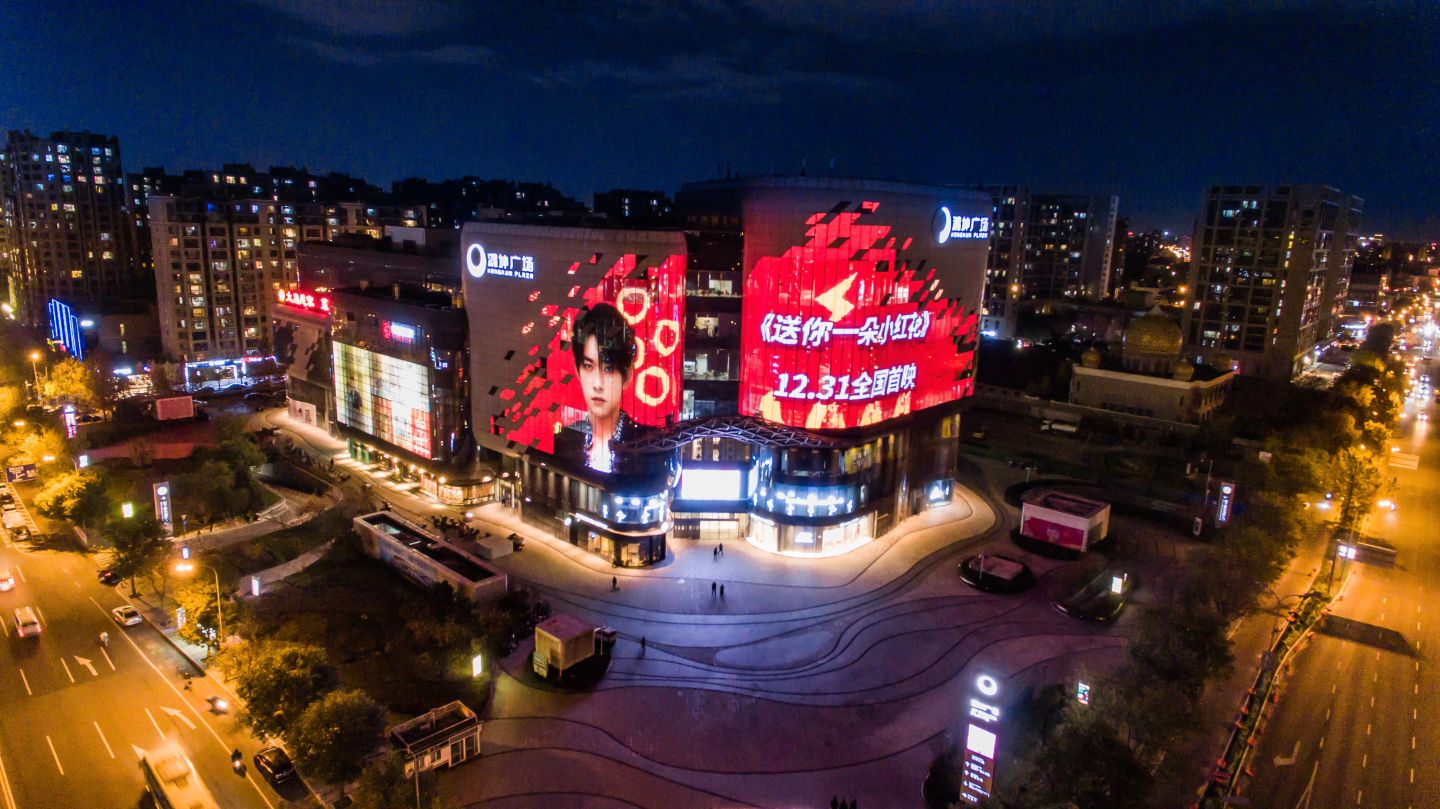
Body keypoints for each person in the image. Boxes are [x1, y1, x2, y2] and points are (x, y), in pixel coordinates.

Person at [557, 303, 638, 474]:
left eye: (608, 369)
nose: (597, 384)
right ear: (577, 371)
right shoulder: (563, 441)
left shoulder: (643, 444)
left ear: (627, 376)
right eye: (588, 366)